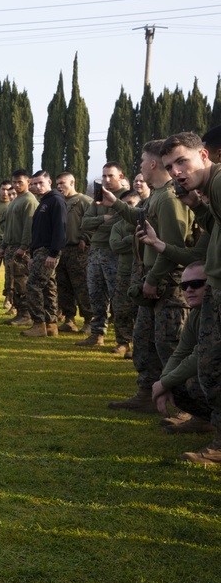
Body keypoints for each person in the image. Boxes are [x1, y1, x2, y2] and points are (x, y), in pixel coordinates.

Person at [105, 141, 195, 412]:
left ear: (153, 164)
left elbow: (171, 246)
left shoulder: (168, 198)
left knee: (171, 346)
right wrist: (117, 205)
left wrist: (153, 279)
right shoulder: (156, 195)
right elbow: (142, 218)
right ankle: (147, 393)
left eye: (143, 160)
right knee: (145, 344)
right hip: (153, 282)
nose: (141, 165)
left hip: (168, 285)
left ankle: (187, 408)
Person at [159, 131, 221, 462]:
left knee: (211, 369)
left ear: (204, 156)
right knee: (211, 368)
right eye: (170, 166)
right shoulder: (209, 191)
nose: (177, 172)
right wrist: (198, 207)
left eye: (183, 161)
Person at [151, 264, 217, 455]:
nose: (189, 290)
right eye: (184, 285)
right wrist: (164, 382)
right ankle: (205, 420)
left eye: (196, 284)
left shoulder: (215, 313)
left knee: (201, 380)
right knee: (179, 384)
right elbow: (181, 352)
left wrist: (165, 382)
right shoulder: (196, 313)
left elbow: (201, 353)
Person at [77, 162, 127, 347]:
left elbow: (121, 223)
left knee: (118, 297)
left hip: (115, 252)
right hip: (95, 250)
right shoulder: (99, 197)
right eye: (104, 176)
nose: (106, 179)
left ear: (120, 177)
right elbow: (85, 223)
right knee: (96, 295)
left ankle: (123, 340)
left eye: (110, 176)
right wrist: (104, 219)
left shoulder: (125, 198)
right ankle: (97, 334)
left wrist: (102, 223)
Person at [20, 171, 66, 337]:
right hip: (40, 251)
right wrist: (33, 255)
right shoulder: (44, 201)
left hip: (48, 251)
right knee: (48, 287)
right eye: (35, 183)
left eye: (41, 183)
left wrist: (53, 254)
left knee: (33, 286)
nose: (38, 187)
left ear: (49, 182)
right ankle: (51, 325)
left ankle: (39, 324)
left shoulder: (55, 200)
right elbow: (38, 232)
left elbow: (60, 229)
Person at [52, 172, 93, 333]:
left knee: (82, 286)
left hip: (79, 250)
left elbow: (92, 222)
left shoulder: (83, 201)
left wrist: (86, 238)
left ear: (72, 182)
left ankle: (89, 320)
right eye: (58, 184)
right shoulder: (59, 202)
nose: (60, 187)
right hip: (62, 250)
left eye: (63, 183)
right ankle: (69, 319)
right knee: (63, 286)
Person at [3, 170, 38, 326]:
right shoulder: (17, 200)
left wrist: (24, 247)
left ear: (28, 182)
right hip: (12, 246)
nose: (17, 185)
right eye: (14, 182)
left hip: (21, 248)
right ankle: (19, 313)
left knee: (22, 281)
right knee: (14, 281)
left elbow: (29, 227)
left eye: (20, 182)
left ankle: (26, 314)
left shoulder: (29, 201)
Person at [107, 190, 140, 357]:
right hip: (124, 272)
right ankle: (123, 342)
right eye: (124, 204)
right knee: (121, 308)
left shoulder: (142, 224)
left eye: (131, 204)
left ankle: (139, 345)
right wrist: (132, 239)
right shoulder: (118, 226)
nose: (127, 207)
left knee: (140, 310)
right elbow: (115, 246)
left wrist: (129, 240)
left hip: (141, 272)